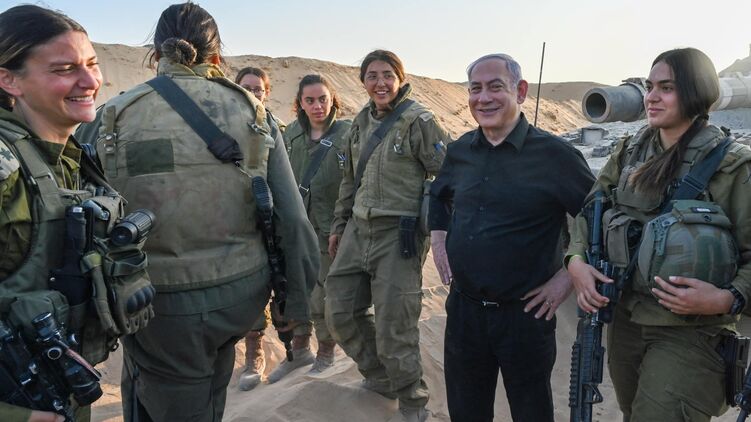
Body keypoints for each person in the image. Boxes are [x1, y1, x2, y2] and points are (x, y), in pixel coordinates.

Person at [76, 3, 319, 421]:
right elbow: (293, 220)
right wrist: (294, 303)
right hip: (240, 295)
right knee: (201, 381)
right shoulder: (253, 112)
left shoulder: (113, 115)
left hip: (155, 303)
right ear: (217, 56)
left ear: (156, 53)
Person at [567, 47, 751, 421]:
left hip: (690, 333)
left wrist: (725, 298)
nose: (651, 97)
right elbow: (591, 211)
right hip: (626, 320)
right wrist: (576, 262)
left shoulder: (733, 167)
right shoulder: (629, 152)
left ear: (696, 92)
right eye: (650, 87)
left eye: (666, 88)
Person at [429, 53, 595, 422]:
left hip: (526, 315)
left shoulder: (556, 156)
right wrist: (438, 240)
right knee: (466, 412)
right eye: (475, 89)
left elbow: (599, 220)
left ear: (520, 91)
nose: (483, 98)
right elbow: (437, 195)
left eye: (495, 87)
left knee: (531, 412)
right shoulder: (460, 151)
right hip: (464, 312)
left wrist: (566, 277)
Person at [0, 5, 123, 422]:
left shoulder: (69, 158)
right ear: (9, 80)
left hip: (59, 388)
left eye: (92, 64)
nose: (90, 81)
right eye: (64, 69)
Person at [325, 49, 450, 422]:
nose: (380, 83)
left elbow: (449, 177)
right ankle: (381, 379)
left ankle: (413, 402)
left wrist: (439, 229)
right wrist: (339, 225)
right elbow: (350, 181)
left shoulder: (419, 120)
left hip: (400, 236)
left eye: (387, 75)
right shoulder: (359, 122)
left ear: (400, 78)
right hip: (357, 230)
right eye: (372, 76)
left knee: (395, 327)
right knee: (340, 312)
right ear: (363, 81)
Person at [233, 66, 289, 391]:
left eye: (258, 88)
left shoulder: (279, 130)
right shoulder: (224, 127)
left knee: (279, 286)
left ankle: (286, 350)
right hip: (238, 220)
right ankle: (248, 353)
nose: (253, 93)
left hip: (274, 219)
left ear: (267, 93)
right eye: (246, 87)